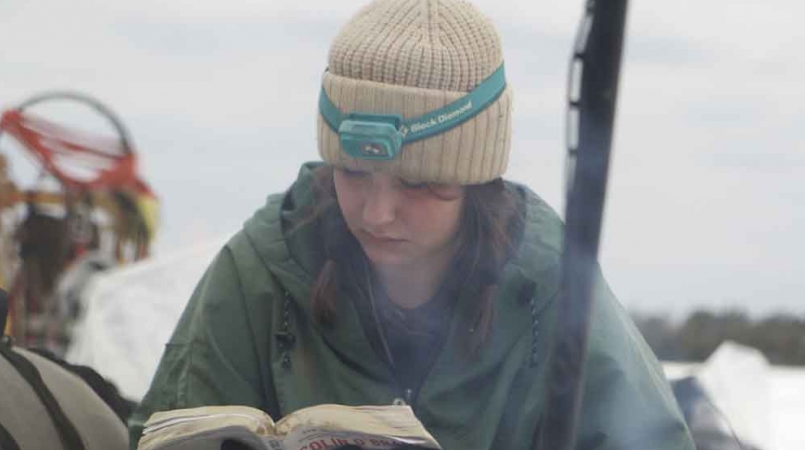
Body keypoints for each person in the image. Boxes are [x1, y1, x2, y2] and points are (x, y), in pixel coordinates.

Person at [130, 1, 695, 449]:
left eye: (419, 184)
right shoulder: (264, 269)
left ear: (476, 183)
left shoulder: (552, 289)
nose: (377, 214)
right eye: (353, 174)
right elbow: (167, 430)